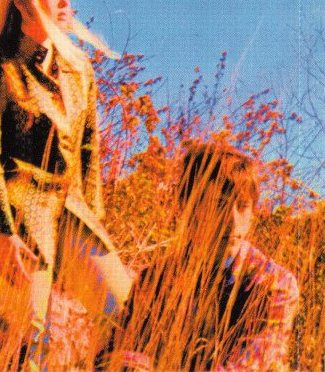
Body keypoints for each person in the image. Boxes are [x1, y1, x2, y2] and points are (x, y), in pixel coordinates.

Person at [0, 0, 136, 363]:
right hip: (19, 217)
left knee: (127, 314)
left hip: (73, 213)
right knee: (33, 336)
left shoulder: (80, 72)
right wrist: (1, 233)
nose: (65, 1)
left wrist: (95, 220)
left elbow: (88, 153)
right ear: (21, 2)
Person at [112, 141, 299, 371]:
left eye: (242, 206)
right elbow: (118, 353)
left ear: (253, 213)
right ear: (188, 208)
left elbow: (246, 366)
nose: (232, 221)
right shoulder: (155, 279)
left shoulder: (274, 284)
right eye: (218, 205)